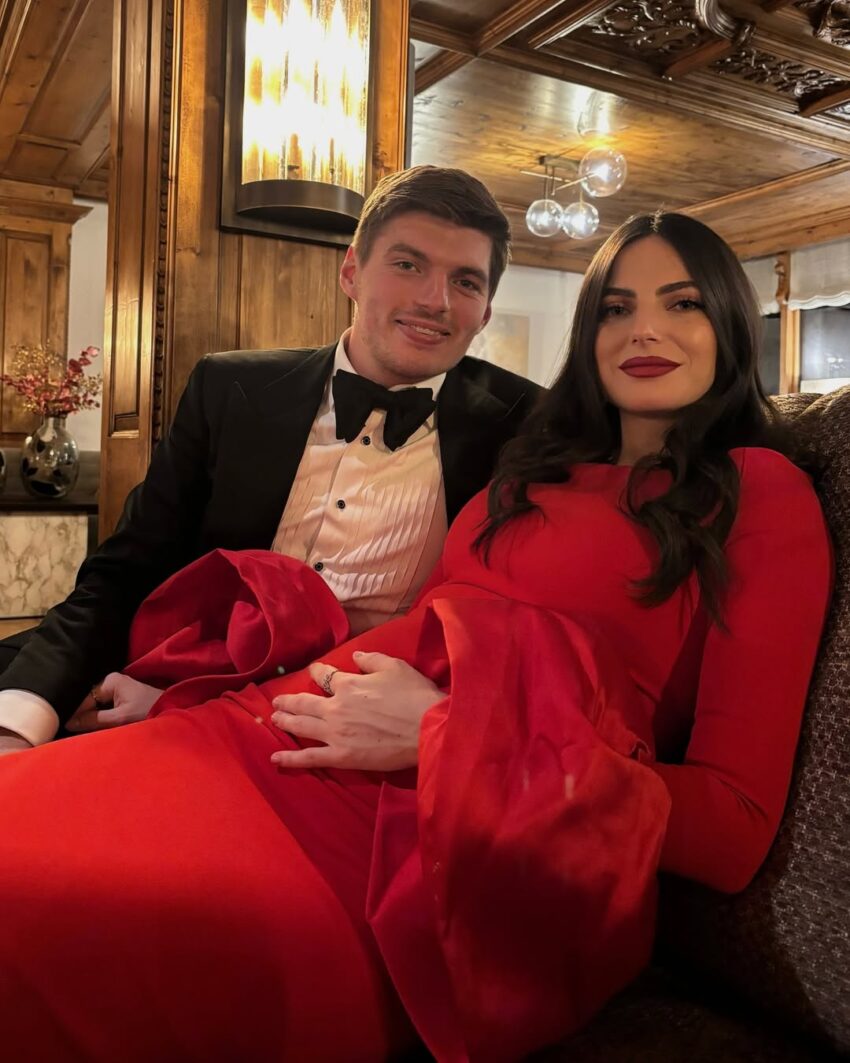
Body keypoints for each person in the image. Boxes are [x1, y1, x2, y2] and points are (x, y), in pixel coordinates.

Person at [0, 212, 831, 1063]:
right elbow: (413, 630)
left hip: (421, 849)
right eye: (616, 309)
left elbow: (733, 829)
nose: (644, 330)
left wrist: (446, 736)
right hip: (263, 734)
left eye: (682, 303)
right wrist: (194, 685)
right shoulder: (532, 464)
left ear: (731, 322)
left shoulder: (760, 494)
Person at [0, 165, 540, 754]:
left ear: (486, 310)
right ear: (352, 272)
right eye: (408, 264)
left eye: (466, 281)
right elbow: (128, 569)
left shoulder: (526, 426)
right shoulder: (230, 388)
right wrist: (24, 718)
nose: (435, 300)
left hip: (362, 728)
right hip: (183, 675)